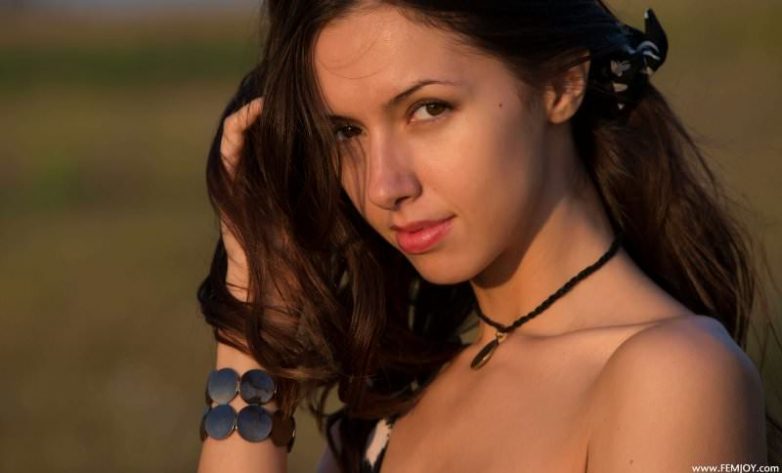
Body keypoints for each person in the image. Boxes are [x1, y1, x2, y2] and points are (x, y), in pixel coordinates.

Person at [196, 1, 779, 472]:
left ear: (562, 82)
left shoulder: (678, 374)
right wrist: (254, 325)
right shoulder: (398, 401)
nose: (383, 185)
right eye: (346, 131)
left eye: (429, 108)